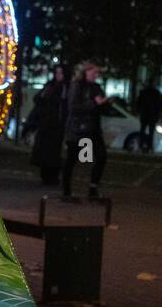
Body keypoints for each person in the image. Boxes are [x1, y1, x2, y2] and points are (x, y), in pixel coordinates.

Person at [61, 60, 107, 203]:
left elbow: (98, 106)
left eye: (97, 73)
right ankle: (67, 192)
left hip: (92, 129)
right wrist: (93, 103)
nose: (96, 75)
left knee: (101, 156)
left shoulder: (96, 87)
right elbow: (73, 107)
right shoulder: (77, 86)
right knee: (72, 159)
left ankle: (93, 189)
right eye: (93, 72)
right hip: (78, 129)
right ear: (85, 72)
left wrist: (104, 104)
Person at [27, 64, 69, 185]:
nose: (58, 75)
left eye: (60, 73)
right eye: (57, 73)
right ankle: (45, 175)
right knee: (44, 150)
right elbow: (38, 98)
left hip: (57, 124)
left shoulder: (65, 87)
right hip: (46, 123)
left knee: (54, 151)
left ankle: (53, 175)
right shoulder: (50, 85)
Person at [136, 81, 162, 153]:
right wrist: (158, 114)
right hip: (152, 115)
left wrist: (139, 111)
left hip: (145, 114)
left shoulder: (143, 92)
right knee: (151, 132)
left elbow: (138, 103)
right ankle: (150, 147)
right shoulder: (156, 93)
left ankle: (141, 146)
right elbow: (160, 105)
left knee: (142, 131)